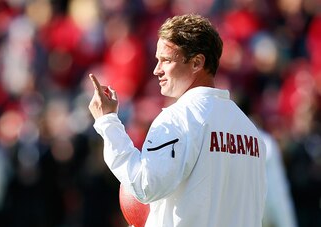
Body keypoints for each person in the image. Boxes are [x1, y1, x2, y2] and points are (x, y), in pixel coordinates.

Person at [88, 14, 267, 227]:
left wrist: (107, 122)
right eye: (157, 60)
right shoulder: (250, 132)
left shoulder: (178, 118)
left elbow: (144, 186)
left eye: (166, 60)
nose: (157, 70)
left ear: (197, 63)